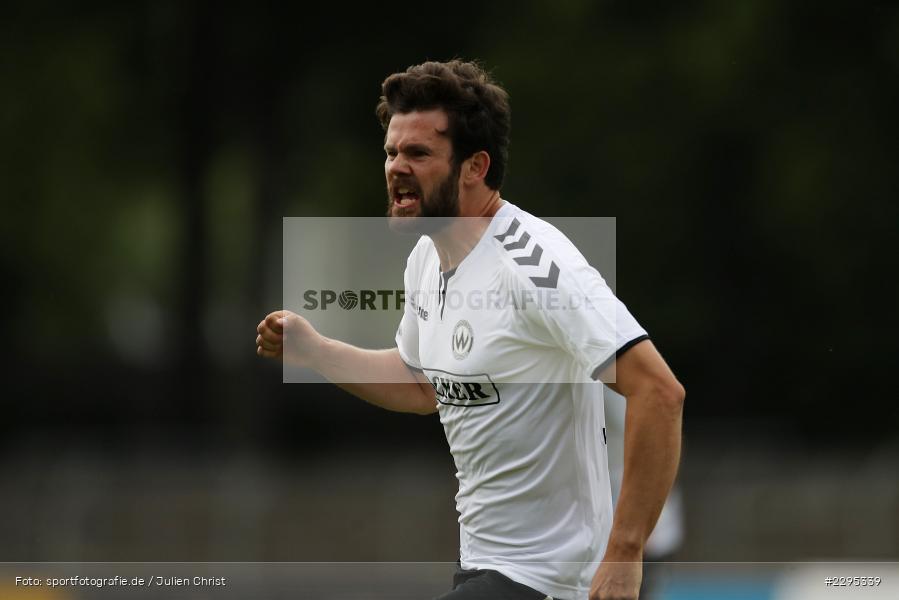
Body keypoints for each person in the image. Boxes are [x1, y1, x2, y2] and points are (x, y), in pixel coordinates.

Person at [256, 60, 685, 600]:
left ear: (474, 166)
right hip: (486, 566)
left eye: (418, 154)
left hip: (550, 579)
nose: (395, 167)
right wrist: (316, 352)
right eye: (391, 152)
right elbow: (420, 385)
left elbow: (659, 391)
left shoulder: (536, 263)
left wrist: (625, 553)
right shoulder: (425, 260)